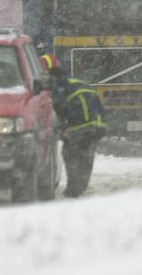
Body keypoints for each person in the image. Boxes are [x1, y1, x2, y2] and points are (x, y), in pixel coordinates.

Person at [41, 53, 107, 197]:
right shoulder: (74, 82)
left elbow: (59, 108)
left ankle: (74, 189)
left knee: (71, 154)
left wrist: (59, 128)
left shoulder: (58, 86)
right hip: (97, 123)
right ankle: (81, 186)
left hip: (80, 125)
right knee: (86, 154)